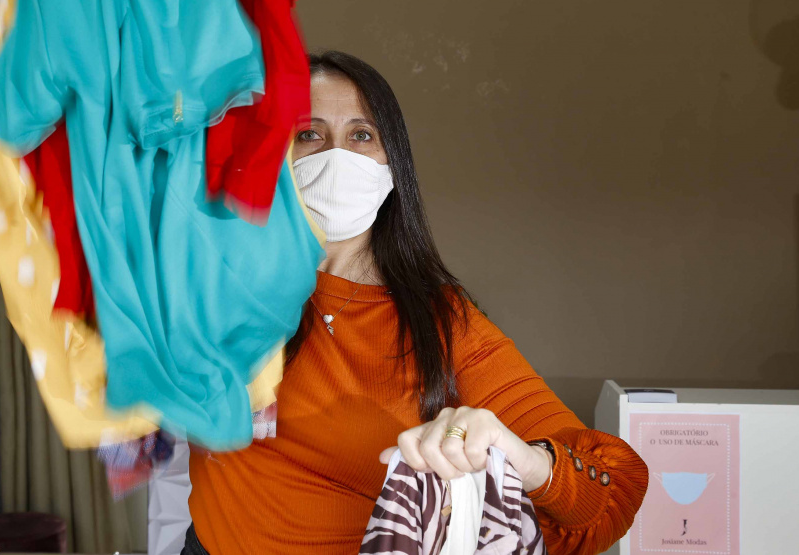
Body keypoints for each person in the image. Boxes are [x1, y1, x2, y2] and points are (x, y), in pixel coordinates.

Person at [184, 50, 648, 555]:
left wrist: (513, 451)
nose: (337, 155)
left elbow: (613, 489)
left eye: (362, 135)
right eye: (308, 133)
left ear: (393, 162)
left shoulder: (443, 324)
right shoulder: (218, 284)